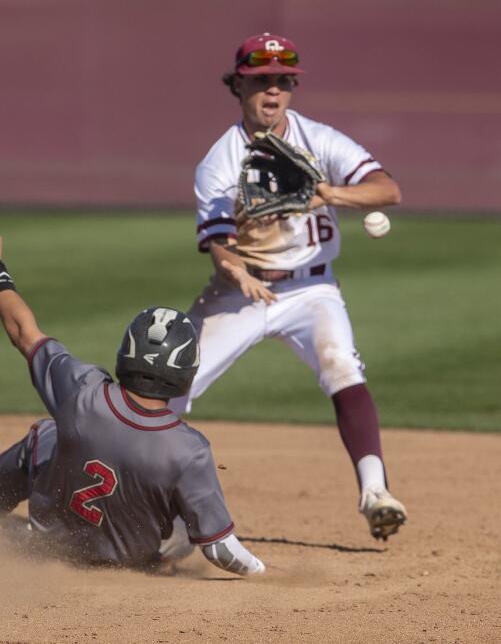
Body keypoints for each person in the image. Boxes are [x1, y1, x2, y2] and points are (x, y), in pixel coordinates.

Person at [171, 33, 406, 541]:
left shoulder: (318, 140)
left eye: (282, 81)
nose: (272, 92)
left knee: (342, 366)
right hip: (241, 290)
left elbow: (388, 189)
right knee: (169, 388)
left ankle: (375, 492)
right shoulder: (220, 160)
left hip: (312, 290)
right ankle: (145, 504)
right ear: (237, 85)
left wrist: (330, 194)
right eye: (260, 82)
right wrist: (236, 272)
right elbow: (218, 242)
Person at [0, 214, 266, 576]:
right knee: (185, 512)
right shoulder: (190, 449)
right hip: (134, 560)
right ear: (184, 373)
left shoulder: (83, 392)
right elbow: (222, 550)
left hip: (53, 543)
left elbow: (23, 331)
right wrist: (263, 572)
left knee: (47, 435)